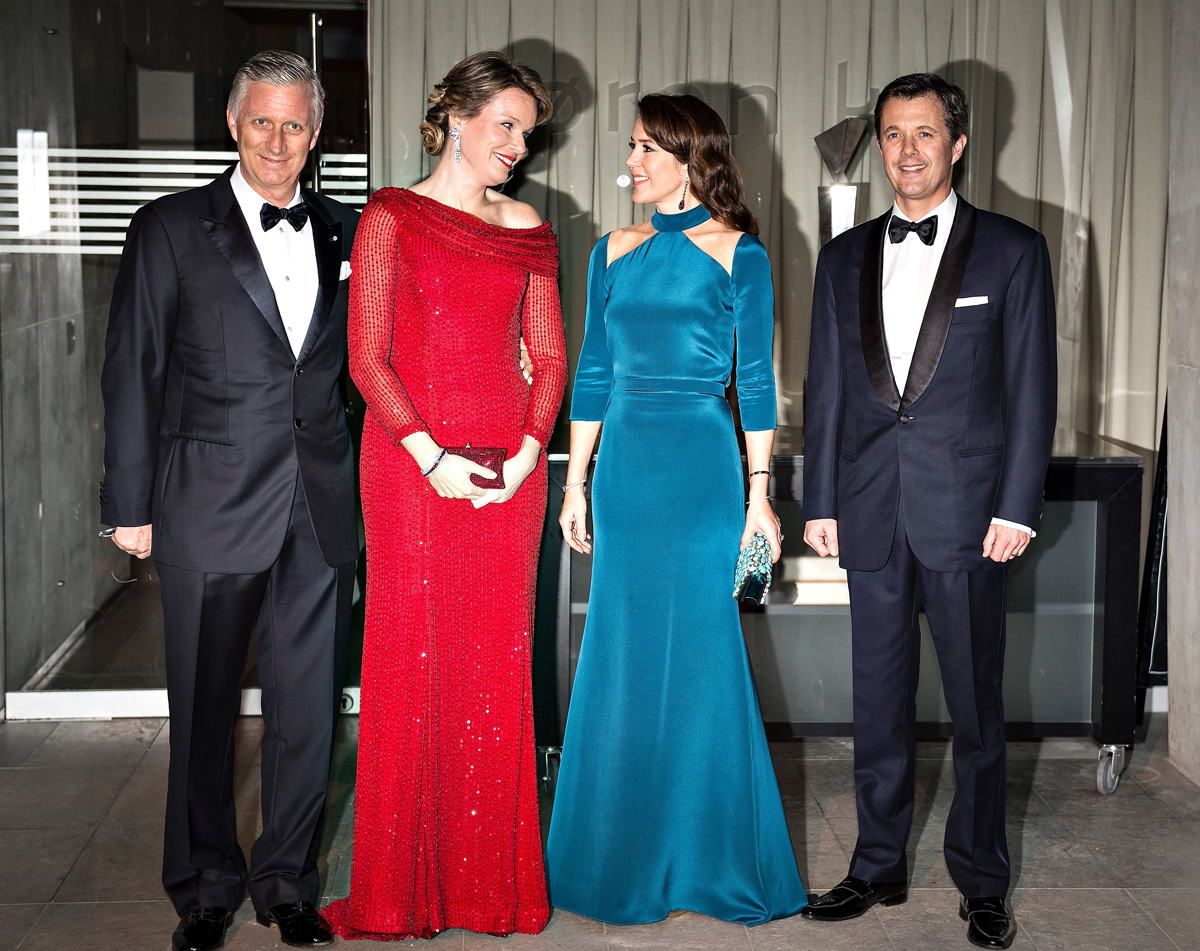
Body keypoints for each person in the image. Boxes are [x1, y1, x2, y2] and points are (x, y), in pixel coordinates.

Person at [100, 51, 359, 951]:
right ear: (232, 124)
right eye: (261, 122)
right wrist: (129, 503)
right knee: (204, 707)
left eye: (295, 124)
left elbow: (362, 374)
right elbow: (133, 370)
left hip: (319, 503)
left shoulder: (349, 230)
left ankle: (286, 879)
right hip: (205, 503)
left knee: (307, 706)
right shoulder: (169, 225)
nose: (278, 141)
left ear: (315, 133)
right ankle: (205, 883)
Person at [800, 73, 1057, 950]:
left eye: (924, 133)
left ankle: (982, 880)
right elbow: (826, 386)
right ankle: (876, 865)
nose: (906, 150)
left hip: (972, 514)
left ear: (957, 143)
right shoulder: (841, 257)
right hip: (869, 511)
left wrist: (1019, 504)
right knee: (877, 705)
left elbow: (1031, 390)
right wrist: (821, 500)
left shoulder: (1015, 252)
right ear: (878, 146)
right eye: (893, 134)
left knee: (978, 710)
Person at [320, 51, 566, 940]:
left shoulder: (527, 221)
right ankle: (403, 890)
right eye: (505, 124)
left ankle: (487, 887)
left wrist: (532, 452)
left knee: (496, 674)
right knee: (413, 665)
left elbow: (549, 352)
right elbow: (367, 356)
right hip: (410, 471)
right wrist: (430, 457)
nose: (516, 145)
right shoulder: (390, 216)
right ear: (456, 119)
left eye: (526, 134)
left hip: (510, 475)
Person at [545, 93, 808, 926]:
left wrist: (760, 499)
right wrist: (574, 483)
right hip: (626, 467)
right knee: (619, 655)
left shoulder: (743, 255)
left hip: (702, 469)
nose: (629, 163)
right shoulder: (612, 250)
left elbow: (757, 385)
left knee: (702, 657)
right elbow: (593, 373)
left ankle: (709, 860)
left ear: (692, 158)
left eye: (645, 151)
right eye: (630, 148)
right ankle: (613, 860)